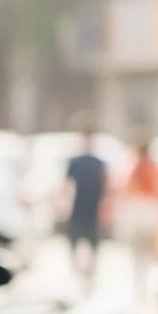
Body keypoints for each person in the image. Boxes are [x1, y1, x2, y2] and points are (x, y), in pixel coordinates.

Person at [114, 130, 158, 314]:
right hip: (154, 214)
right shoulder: (155, 168)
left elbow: (126, 191)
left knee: (140, 260)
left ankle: (143, 297)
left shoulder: (133, 168)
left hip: (138, 216)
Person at [61, 119, 107, 283]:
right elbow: (67, 185)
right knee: (74, 238)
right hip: (78, 205)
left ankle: (90, 269)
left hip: (92, 205)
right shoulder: (75, 161)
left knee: (92, 239)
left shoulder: (98, 162)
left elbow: (105, 186)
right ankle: (77, 268)